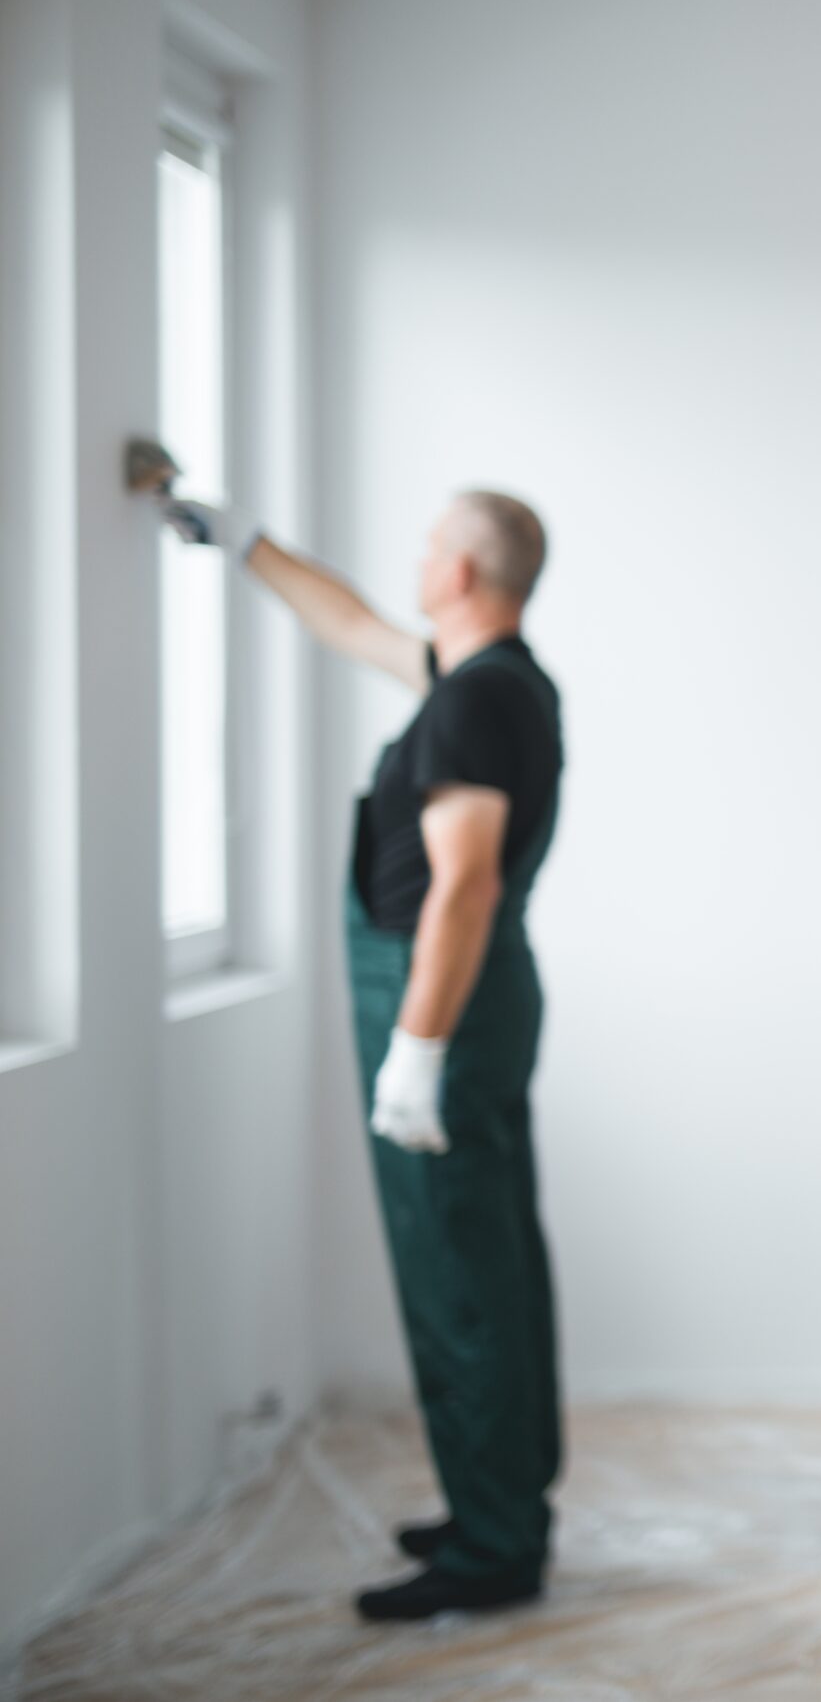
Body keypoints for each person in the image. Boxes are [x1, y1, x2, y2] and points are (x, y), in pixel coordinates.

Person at [161, 490, 566, 1618]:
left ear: (467, 576)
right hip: (474, 993)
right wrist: (242, 543)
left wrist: (417, 1050)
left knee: (457, 1272)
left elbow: (464, 885)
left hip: (442, 995)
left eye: (435, 543)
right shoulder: (491, 678)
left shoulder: (474, 704)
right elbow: (347, 624)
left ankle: (494, 1549)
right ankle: (505, 1501)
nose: (419, 556)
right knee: (489, 1253)